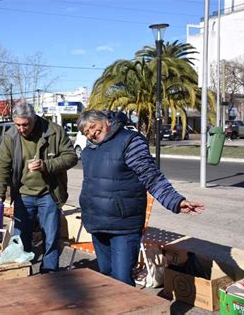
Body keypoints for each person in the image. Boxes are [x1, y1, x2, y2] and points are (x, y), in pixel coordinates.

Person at [77, 110, 205, 286]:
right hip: (97, 224)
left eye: (93, 126)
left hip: (123, 225)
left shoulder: (129, 141)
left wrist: (175, 201)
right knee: (106, 275)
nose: (91, 133)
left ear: (106, 121)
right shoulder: (88, 151)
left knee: (121, 280)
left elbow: (151, 177)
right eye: (86, 132)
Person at [0, 103, 78, 273]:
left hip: (50, 193)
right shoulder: (11, 137)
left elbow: (71, 157)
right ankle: (23, 272)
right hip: (23, 194)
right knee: (21, 238)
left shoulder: (54, 131)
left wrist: (46, 165)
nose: (21, 129)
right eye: (17, 125)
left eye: (25, 124)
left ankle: (50, 273)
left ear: (34, 119)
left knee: (51, 238)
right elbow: (2, 166)